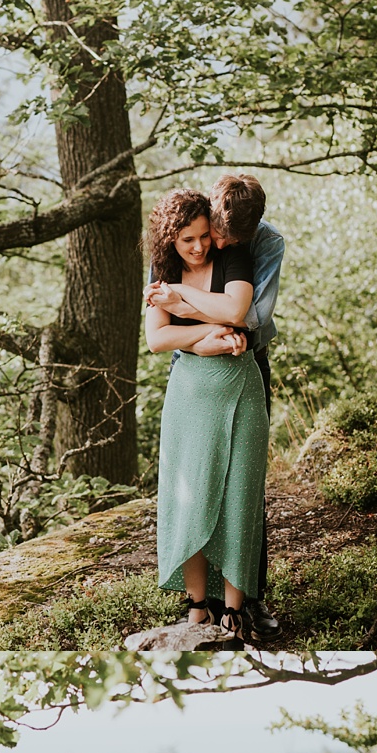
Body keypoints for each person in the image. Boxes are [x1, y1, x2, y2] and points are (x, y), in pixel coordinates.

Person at [146, 187, 270, 645]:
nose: (199, 247)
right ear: (169, 242)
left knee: (239, 497)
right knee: (189, 498)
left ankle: (234, 612)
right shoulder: (163, 268)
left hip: (240, 389)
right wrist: (205, 335)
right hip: (189, 396)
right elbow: (157, 340)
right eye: (186, 241)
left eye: (202, 236)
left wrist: (178, 302)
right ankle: (198, 607)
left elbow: (237, 309)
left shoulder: (232, 256)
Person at [207, 171, 284, 631]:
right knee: (202, 480)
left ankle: (249, 596)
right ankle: (205, 598)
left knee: (247, 485)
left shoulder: (268, 242)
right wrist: (210, 327)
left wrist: (188, 305)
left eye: (232, 240)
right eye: (218, 235)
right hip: (194, 368)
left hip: (252, 364)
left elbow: (255, 315)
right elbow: (158, 306)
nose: (218, 246)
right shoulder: (185, 223)